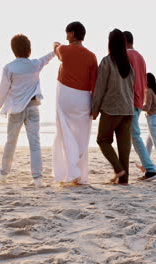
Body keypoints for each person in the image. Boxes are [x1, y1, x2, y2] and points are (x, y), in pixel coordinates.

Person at [0, 34, 56, 187]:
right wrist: (55, 49)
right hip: (32, 108)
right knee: (35, 143)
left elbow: (2, 92)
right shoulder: (34, 64)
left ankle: (3, 174)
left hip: (15, 110)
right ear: (29, 50)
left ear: (13, 50)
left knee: (10, 142)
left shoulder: (9, 67)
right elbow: (47, 58)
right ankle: (38, 178)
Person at [52, 21, 98, 186]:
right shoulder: (92, 56)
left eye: (67, 33)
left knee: (64, 132)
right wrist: (95, 106)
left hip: (65, 96)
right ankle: (79, 174)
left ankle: (70, 172)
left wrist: (56, 45)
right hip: (83, 98)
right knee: (82, 137)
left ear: (72, 34)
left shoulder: (64, 49)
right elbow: (94, 84)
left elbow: (56, 49)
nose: (66, 36)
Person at [91, 29, 135, 185]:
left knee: (102, 140)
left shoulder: (107, 61)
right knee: (124, 149)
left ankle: (118, 169)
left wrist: (95, 108)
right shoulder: (128, 65)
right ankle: (124, 179)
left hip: (112, 108)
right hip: (128, 109)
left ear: (110, 43)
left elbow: (100, 87)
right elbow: (132, 87)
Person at [123, 31, 156, 181]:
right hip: (138, 100)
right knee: (132, 135)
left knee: (134, 135)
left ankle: (150, 169)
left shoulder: (126, 55)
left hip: (129, 100)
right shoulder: (140, 57)